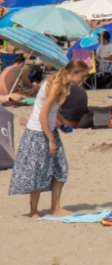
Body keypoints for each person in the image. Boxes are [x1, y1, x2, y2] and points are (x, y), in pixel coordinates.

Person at [7, 59, 89, 218]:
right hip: (38, 133)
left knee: (60, 168)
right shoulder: (55, 86)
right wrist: (51, 139)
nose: (83, 79)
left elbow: (53, 109)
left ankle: (55, 207)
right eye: (83, 76)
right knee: (38, 171)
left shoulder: (62, 84)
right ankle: (33, 211)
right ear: (73, 73)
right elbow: (43, 116)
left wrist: (63, 122)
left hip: (49, 130)